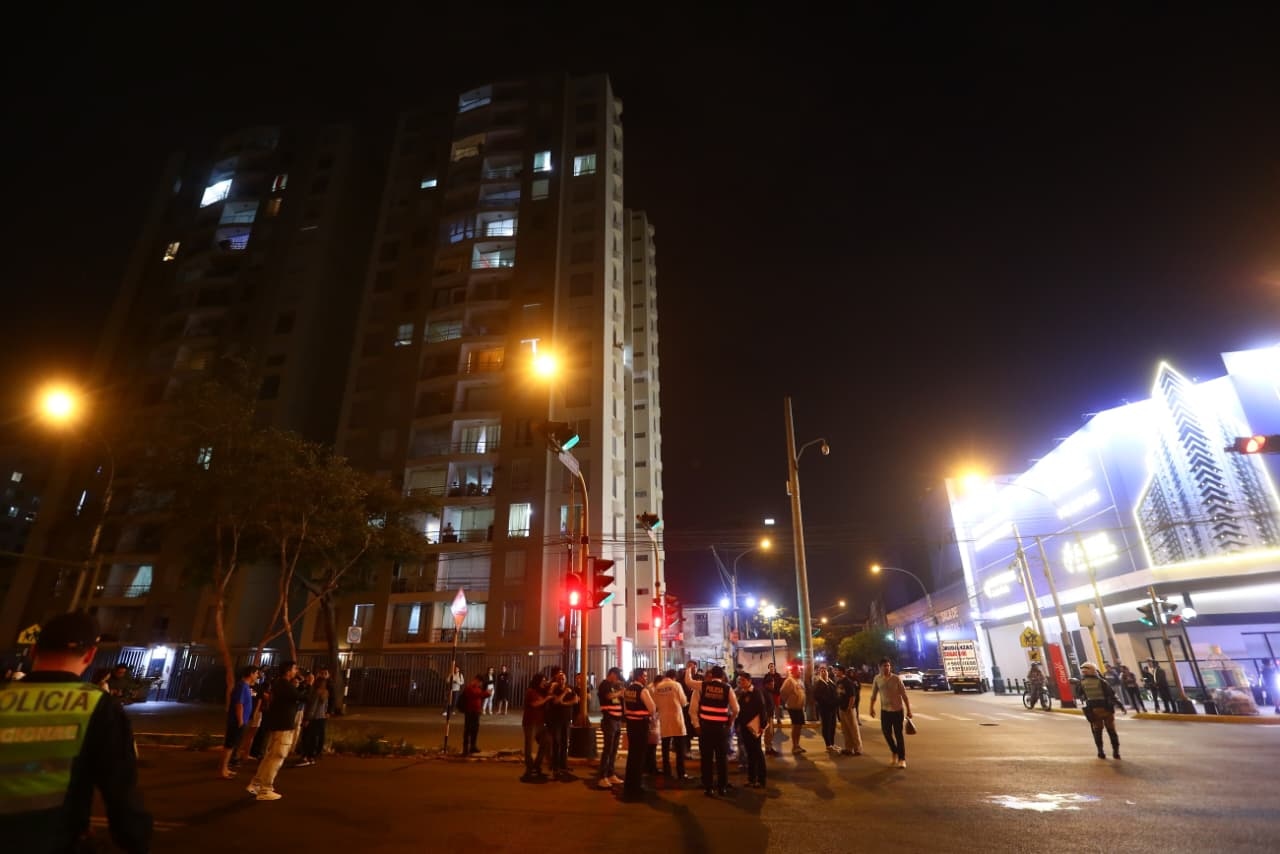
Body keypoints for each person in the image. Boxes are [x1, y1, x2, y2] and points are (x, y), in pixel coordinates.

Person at [0, 611, 152, 852]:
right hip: (54, 840)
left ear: (33, 650)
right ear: (91, 654)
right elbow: (121, 794)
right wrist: (136, 842)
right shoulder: (98, 707)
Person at [247, 660, 303, 801]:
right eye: (295, 669)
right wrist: (307, 685)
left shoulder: (279, 684)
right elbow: (302, 697)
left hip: (277, 724)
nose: (296, 671)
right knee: (277, 757)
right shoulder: (285, 685)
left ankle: (256, 783)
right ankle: (266, 789)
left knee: (270, 756)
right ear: (288, 670)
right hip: (283, 726)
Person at [690, 665, 739, 797]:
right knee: (721, 758)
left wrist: (697, 726)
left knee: (706, 758)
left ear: (711, 675)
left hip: (705, 728)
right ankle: (722, 787)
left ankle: (708, 787)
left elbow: (688, 684)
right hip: (720, 728)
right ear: (722, 676)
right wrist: (730, 721)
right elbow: (736, 709)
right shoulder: (727, 689)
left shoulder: (703, 686)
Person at [869, 657, 912, 769]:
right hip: (885, 711)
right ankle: (894, 751)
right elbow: (873, 695)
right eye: (884, 666)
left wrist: (909, 710)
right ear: (880, 667)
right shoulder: (877, 679)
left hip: (898, 710)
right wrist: (871, 708)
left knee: (898, 735)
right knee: (886, 733)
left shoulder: (896, 679)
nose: (887, 667)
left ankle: (902, 759)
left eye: (888, 665)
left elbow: (904, 695)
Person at [620, 668, 657, 801]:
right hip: (641, 726)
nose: (646, 678)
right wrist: (651, 717)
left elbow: (625, 709)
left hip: (631, 725)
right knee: (639, 757)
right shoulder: (643, 690)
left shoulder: (627, 690)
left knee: (632, 756)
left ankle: (629, 785)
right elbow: (652, 708)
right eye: (645, 676)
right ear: (640, 677)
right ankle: (636, 786)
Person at [1077, 661, 1126, 759]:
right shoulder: (1101, 681)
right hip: (1106, 709)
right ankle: (1116, 752)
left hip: (1093, 711)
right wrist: (1121, 706)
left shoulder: (1081, 683)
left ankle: (1100, 751)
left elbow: (1079, 694)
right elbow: (1112, 695)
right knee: (1111, 730)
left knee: (1097, 731)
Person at [652, 668, 692, 783]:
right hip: (676, 719)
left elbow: (655, 703)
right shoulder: (676, 685)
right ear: (674, 677)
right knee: (680, 749)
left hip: (664, 719)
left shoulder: (658, 687)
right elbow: (684, 701)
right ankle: (681, 773)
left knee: (665, 748)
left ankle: (667, 771)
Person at [221, 665, 258, 778]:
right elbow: (239, 705)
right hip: (237, 721)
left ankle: (225, 768)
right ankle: (223, 770)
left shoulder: (245, 686)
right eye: (256, 673)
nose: (257, 676)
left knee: (231, 745)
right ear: (251, 673)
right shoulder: (242, 686)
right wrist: (241, 721)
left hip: (239, 721)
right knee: (229, 745)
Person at [734, 672, 768, 789]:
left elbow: (762, 709)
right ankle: (751, 778)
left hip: (754, 726)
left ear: (749, 681)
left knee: (757, 752)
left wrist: (762, 725)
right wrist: (737, 724)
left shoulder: (756, 693)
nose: (741, 683)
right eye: (740, 681)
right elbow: (739, 711)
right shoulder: (743, 694)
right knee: (750, 753)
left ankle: (761, 779)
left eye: (743, 680)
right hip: (744, 727)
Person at [596, 667, 626, 789]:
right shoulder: (605, 684)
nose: (617, 679)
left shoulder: (614, 686)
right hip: (609, 720)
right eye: (617, 676)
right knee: (608, 749)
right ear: (612, 674)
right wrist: (620, 692)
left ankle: (610, 773)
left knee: (614, 749)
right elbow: (608, 697)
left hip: (617, 720)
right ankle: (602, 776)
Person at [544, 669, 577, 777]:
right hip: (556, 720)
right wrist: (564, 693)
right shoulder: (554, 689)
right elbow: (556, 701)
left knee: (564, 743)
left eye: (563, 678)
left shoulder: (570, 687)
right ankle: (555, 766)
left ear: (566, 679)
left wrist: (565, 703)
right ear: (557, 680)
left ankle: (564, 765)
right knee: (557, 743)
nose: (562, 680)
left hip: (567, 719)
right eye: (559, 678)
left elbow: (576, 700)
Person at [520, 673, 552, 781]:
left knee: (546, 741)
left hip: (540, 723)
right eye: (542, 680)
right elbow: (535, 704)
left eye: (545, 680)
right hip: (530, 722)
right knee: (529, 746)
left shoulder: (541, 691)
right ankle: (529, 768)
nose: (544, 682)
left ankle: (537, 765)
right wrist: (546, 699)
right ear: (537, 681)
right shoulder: (531, 691)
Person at [297, 672, 329, 765]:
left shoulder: (316, 692)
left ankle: (306, 756)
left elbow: (313, 707)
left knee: (308, 737)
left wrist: (307, 719)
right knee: (316, 738)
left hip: (314, 718)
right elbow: (326, 706)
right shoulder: (326, 692)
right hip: (321, 718)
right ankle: (313, 756)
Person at [834, 664, 863, 756]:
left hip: (849, 709)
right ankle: (848, 748)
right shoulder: (838, 682)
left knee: (853, 729)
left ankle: (858, 748)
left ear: (841, 672)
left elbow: (852, 697)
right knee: (845, 730)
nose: (835, 672)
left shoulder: (848, 682)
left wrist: (849, 708)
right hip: (841, 709)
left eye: (837, 670)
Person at [779, 663, 806, 755]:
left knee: (799, 726)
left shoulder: (799, 680)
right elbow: (782, 692)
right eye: (798, 670)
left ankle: (797, 745)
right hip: (793, 707)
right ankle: (794, 746)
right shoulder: (789, 680)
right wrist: (789, 700)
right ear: (794, 671)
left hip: (800, 707)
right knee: (795, 726)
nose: (800, 671)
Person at [461, 671, 490, 755]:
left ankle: (473, 746)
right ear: (476, 680)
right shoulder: (469, 687)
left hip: (476, 711)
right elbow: (475, 694)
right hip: (470, 711)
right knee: (468, 729)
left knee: (475, 729)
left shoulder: (478, 688)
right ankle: (465, 748)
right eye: (480, 682)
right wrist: (485, 693)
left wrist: (487, 694)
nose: (480, 684)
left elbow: (480, 695)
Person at [813, 665, 839, 751]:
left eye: (825, 671)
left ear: (828, 672)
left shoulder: (830, 682)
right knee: (826, 726)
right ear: (820, 673)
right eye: (822, 671)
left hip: (833, 708)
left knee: (833, 726)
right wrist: (827, 703)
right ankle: (828, 745)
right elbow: (817, 696)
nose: (824, 672)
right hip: (825, 709)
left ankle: (832, 743)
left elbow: (835, 692)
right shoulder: (819, 683)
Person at [761, 661, 783, 732]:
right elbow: (764, 684)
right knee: (770, 707)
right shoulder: (766, 676)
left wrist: (778, 690)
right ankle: (770, 719)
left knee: (777, 706)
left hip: (776, 693)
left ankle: (778, 719)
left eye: (773, 666)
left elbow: (781, 684)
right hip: (769, 694)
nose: (772, 668)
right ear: (769, 668)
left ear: (775, 667)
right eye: (770, 666)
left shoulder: (778, 675)